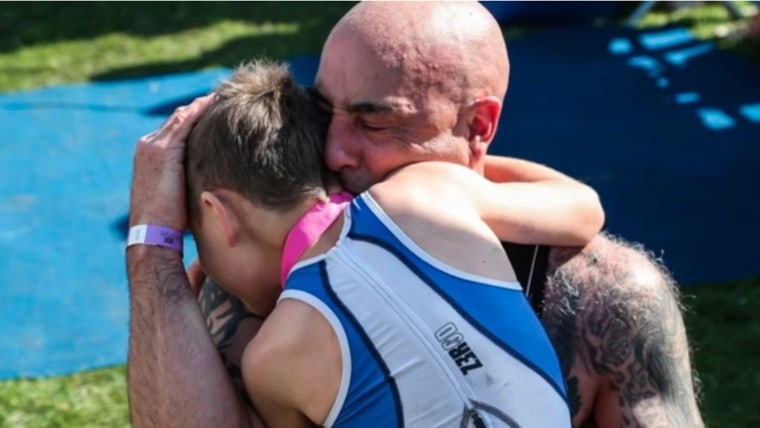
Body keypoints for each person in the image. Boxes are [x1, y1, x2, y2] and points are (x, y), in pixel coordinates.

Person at [194, 2, 704, 427]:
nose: (334, 152)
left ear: (478, 126)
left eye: (375, 122)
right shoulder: (242, 288)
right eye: (326, 113)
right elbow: (584, 205)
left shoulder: (604, 295)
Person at [128, 59, 604, 426]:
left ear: (219, 215)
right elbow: (583, 207)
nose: (203, 266)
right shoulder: (428, 192)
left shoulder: (272, 358)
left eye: (197, 242)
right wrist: (438, 172)